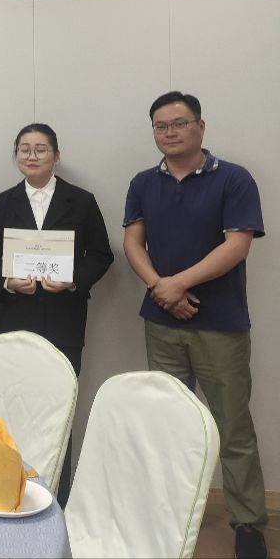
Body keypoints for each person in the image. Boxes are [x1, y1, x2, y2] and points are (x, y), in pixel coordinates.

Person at [122, 91, 267, 559]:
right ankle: (173, 514)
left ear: (200, 127)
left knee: (233, 427)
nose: (170, 133)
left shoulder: (234, 179)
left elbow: (237, 246)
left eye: (179, 123)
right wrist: (159, 287)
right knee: (167, 425)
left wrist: (176, 284)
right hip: (161, 323)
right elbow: (133, 242)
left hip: (221, 324)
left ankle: (248, 524)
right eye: (161, 126)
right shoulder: (144, 182)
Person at [0, 122, 113, 505]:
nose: (32, 155)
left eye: (40, 149)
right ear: (16, 156)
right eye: (25, 149)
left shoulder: (81, 201)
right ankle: (8, 489)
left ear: (56, 155)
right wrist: (6, 281)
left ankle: (57, 497)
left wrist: (72, 280)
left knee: (58, 409)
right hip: (14, 318)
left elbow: (101, 254)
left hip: (64, 319)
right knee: (12, 405)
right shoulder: (2, 202)